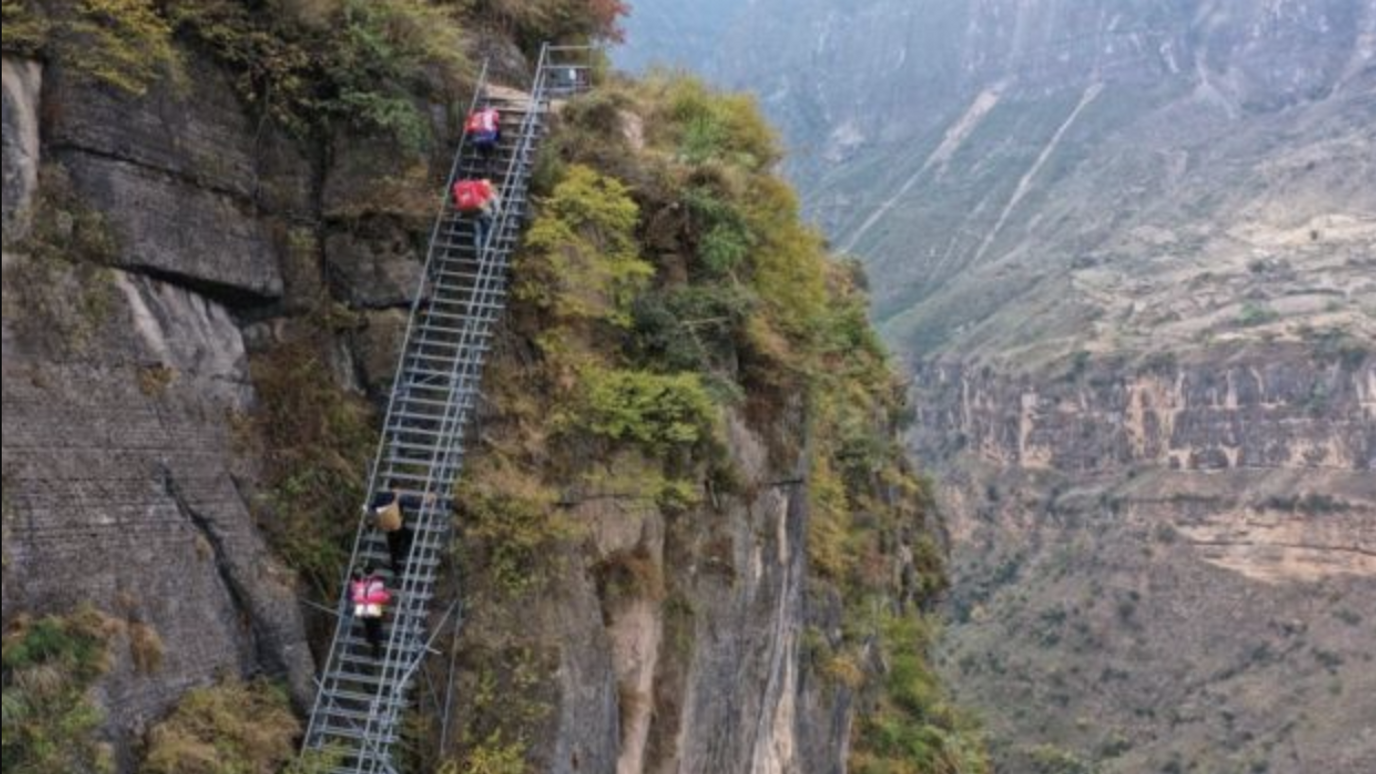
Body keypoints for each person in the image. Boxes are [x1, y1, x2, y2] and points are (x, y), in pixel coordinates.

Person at [369, 488, 437, 571]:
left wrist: (371, 523)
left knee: (396, 542)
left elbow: (372, 510)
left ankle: (394, 562)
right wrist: (427, 501)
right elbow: (414, 504)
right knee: (407, 537)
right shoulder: (398, 499)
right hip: (394, 525)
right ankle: (396, 559)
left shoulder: (381, 499)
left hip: (387, 525)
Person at [350, 565, 390, 659]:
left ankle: (369, 638)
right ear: (373, 573)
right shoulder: (378, 583)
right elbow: (384, 596)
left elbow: (354, 591)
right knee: (376, 628)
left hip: (362, 609)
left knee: (368, 626)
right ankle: (375, 652)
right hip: (373, 609)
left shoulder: (359, 583)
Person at [452, 178, 501, 254]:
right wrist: (498, 213)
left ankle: (478, 253)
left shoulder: (475, 187)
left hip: (473, 212)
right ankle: (486, 247)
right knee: (491, 227)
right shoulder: (490, 194)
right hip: (483, 212)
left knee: (478, 233)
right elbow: (497, 209)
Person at [465, 103, 501, 170]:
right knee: (489, 145)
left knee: (482, 145)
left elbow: (469, 128)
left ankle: (486, 160)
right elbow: (497, 124)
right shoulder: (494, 114)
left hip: (477, 139)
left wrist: (469, 139)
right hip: (488, 138)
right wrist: (498, 139)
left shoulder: (476, 116)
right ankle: (488, 160)